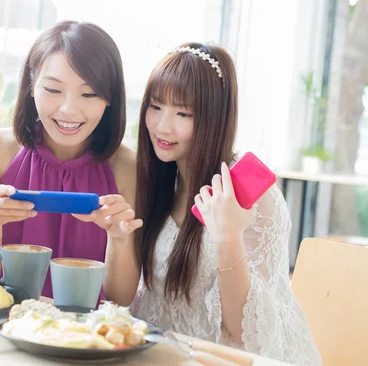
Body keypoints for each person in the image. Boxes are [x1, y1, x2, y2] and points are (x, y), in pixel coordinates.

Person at [119, 43, 321, 364]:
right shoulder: (157, 181)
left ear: (215, 119)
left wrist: (227, 237)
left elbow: (244, 330)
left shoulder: (253, 197)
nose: (162, 125)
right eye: (156, 106)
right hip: (170, 354)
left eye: (183, 113)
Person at [0, 21, 142, 300]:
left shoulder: (128, 168)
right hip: (3, 326)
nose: (69, 109)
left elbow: (121, 298)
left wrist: (119, 239)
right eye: (52, 89)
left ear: (110, 98)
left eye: (89, 94)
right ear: (31, 86)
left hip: (86, 338)